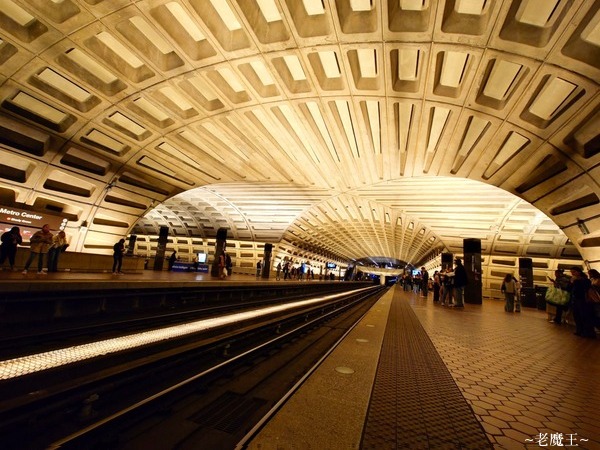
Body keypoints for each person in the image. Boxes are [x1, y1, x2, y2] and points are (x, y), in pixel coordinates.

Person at [569, 266, 595, 338]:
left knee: (584, 316)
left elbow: (585, 288)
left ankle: (587, 332)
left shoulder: (585, 280)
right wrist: (572, 282)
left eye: (574, 272)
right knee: (576, 316)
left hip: (583, 300)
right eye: (571, 272)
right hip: (575, 300)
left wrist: (577, 281)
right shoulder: (573, 280)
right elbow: (569, 289)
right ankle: (579, 330)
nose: (572, 273)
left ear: (579, 272)